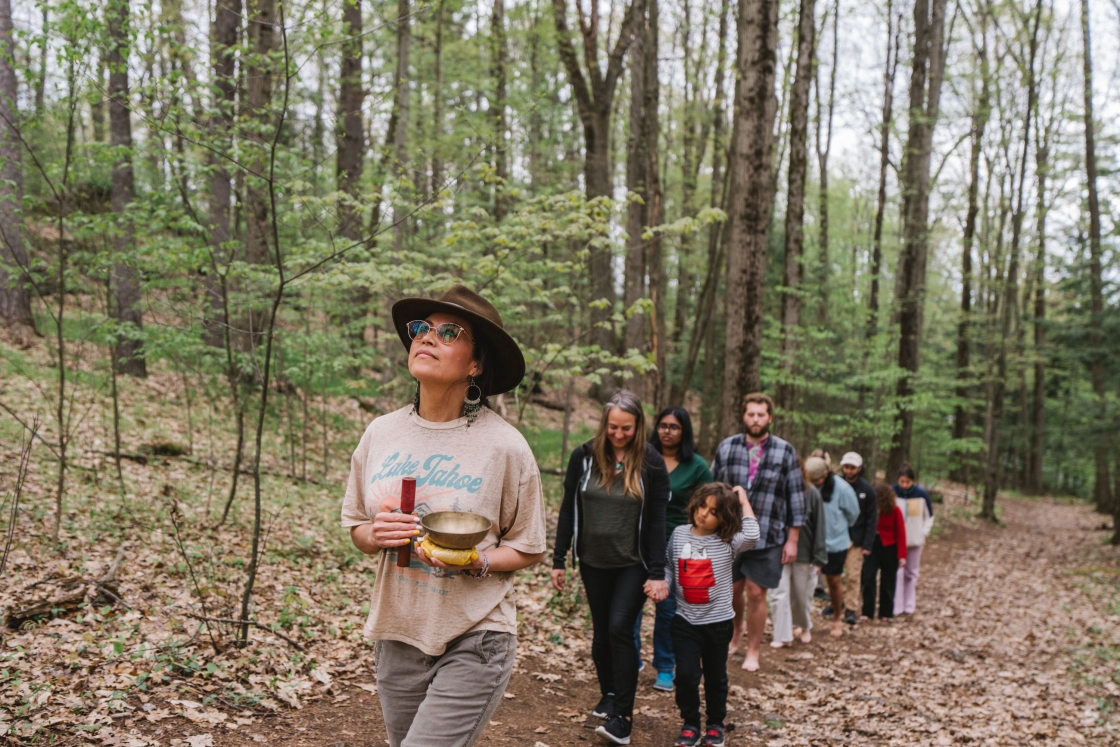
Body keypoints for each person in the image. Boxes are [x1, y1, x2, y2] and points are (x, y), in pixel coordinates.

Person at [341, 285, 547, 747]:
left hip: (476, 635)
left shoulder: (505, 446)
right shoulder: (381, 433)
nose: (427, 338)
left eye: (448, 332)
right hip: (398, 633)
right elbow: (355, 524)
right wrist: (374, 534)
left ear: (476, 364)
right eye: (422, 329)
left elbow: (529, 546)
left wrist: (478, 561)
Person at [552, 390, 671, 746]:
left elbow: (656, 521)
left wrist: (657, 571)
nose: (618, 434)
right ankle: (608, 694)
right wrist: (559, 558)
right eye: (613, 427)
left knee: (620, 628)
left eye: (626, 428)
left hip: (632, 563)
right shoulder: (584, 456)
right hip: (593, 559)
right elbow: (568, 508)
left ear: (638, 426)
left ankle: (623, 715)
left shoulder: (651, 463)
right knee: (602, 632)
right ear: (604, 424)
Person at [712, 392, 806, 672]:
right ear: (744, 416)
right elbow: (713, 488)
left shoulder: (785, 451)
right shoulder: (727, 447)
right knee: (731, 592)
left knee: (755, 593)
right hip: (730, 534)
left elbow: (796, 496)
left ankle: (753, 650)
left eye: (761, 414)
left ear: (770, 418)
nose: (755, 419)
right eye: (751, 414)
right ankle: (736, 629)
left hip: (769, 534)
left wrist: (793, 540)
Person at [665, 483, 759, 747]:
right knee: (685, 675)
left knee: (715, 677)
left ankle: (715, 724)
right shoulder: (679, 534)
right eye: (702, 505)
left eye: (714, 511)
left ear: (725, 518)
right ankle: (690, 723)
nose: (704, 513)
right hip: (684, 621)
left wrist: (743, 500)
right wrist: (663, 583)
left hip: (717, 624)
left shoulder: (727, 541)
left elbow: (752, 534)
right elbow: (669, 566)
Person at [633, 407, 713, 692]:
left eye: (674, 427)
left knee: (667, 609)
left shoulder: (697, 466)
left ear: (685, 431)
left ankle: (665, 667)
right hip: (638, 540)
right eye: (663, 426)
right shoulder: (641, 456)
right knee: (631, 603)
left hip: (677, 543)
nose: (667, 431)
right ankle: (630, 659)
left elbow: (708, 507)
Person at [767, 457, 827, 647]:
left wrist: (819, 557)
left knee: (801, 594)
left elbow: (819, 525)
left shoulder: (812, 493)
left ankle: (805, 625)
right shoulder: (774, 491)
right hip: (777, 551)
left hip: (805, 553)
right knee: (778, 593)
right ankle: (781, 634)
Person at [805, 457, 859, 637]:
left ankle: (837, 617)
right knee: (804, 583)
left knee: (833, 581)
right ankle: (803, 622)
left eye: (817, 481)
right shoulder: (805, 487)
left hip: (835, 543)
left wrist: (837, 526)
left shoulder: (842, 488)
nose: (814, 484)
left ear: (826, 474)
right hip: (810, 542)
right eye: (810, 480)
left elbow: (853, 514)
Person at [836, 452, 878, 626]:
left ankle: (851, 609)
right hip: (837, 537)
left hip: (857, 540)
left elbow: (871, 518)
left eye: (852, 467)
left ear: (859, 468)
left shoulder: (867, 490)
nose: (849, 471)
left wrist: (868, 543)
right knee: (835, 575)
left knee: (853, 575)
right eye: (846, 467)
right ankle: (836, 604)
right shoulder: (835, 485)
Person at [861, 482, 907, 620]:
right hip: (872, 546)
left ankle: (886, 612)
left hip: (889, 547)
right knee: (868, 578)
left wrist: (902, 555)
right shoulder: (869, 509)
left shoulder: (895, 510)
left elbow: (901, 533)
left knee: (888, 581)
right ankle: (867, 612)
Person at [893, 464, 934, 615]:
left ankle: (909, 605)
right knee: (897, 573)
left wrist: (923, 533)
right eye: (901, 481)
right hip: (897, 541)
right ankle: (896, 605)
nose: (904, 485)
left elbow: (929, 516)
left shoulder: (921, 495)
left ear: (913, 481)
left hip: (915, 541)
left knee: (911, 573)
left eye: (907, 482)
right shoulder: (892, 492)